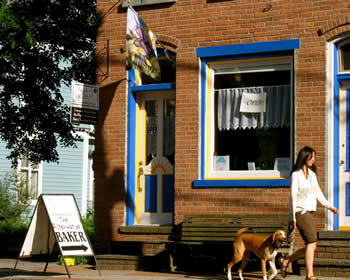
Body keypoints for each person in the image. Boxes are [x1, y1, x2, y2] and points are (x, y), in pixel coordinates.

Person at [280, 146, 338, 280]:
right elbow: (293, 197)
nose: (313, 160)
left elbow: (318, 193)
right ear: (304, 157)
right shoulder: (296, 175)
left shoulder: (312, 174)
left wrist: (330, 207)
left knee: (312, 245)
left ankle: (286, 260)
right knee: (311, 243)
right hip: (300, 212)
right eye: (311, 157)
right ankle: (309, 275)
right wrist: (292, 218)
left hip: (310, 212)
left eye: (314, 157)